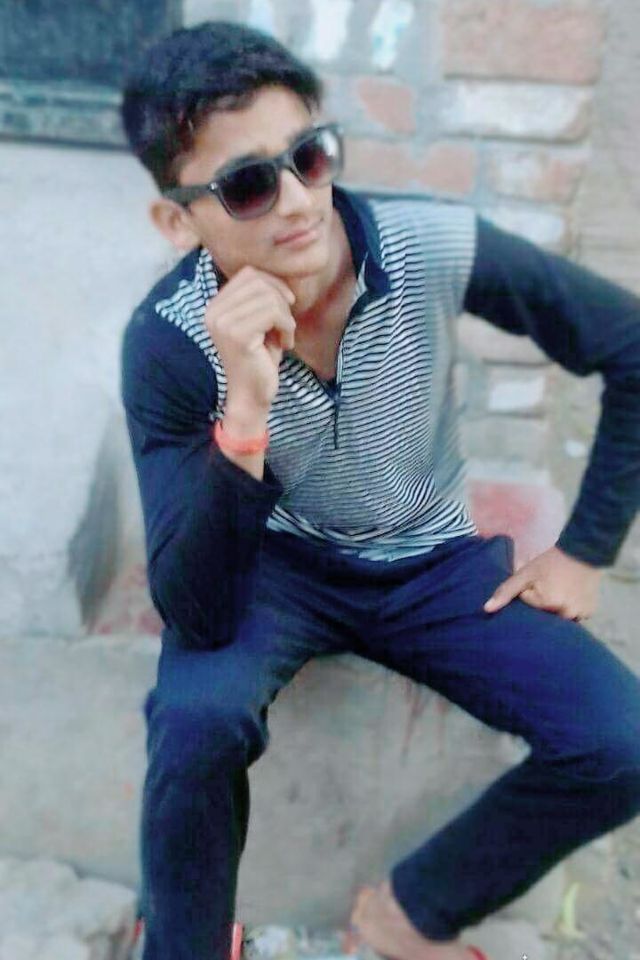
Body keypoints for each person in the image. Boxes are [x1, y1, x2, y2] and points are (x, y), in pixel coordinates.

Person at [119, 20, 640, 960]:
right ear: (177, 221)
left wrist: (586, 550)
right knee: (195, 717)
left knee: (621, 741)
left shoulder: (426, 242)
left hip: (430, 560)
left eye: (310, 157)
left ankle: (410, 912)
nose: (297, 203)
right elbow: (195, 608)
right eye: (248, 184)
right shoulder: (168, 339)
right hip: (274, 571)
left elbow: (629, 345)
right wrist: (245, 408)